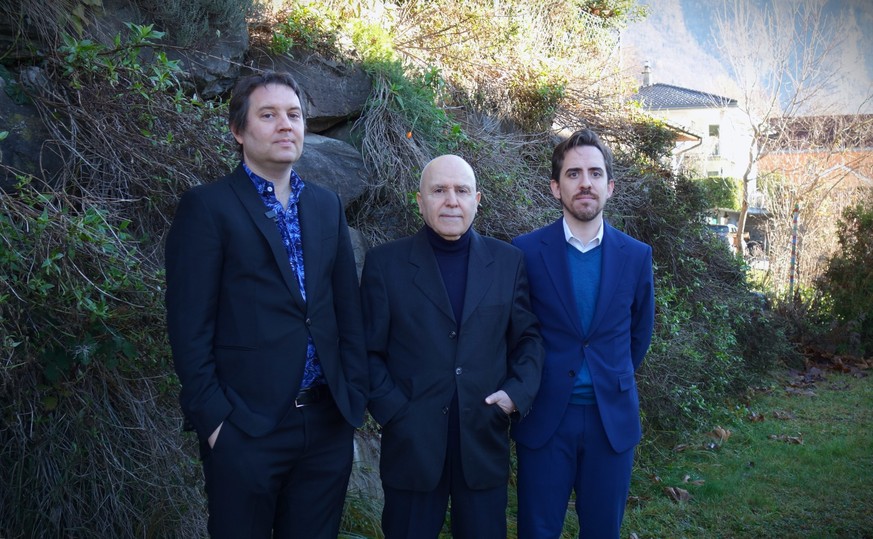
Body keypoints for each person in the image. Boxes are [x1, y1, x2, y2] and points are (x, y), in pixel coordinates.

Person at [164, 71, 367, 538]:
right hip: (245, 428)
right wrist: (216, 422)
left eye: (294, 115)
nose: (285, 125)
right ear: (239, 130)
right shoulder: (207, 208)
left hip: (326, 424)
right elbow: (188, 327)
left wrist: (352, 397)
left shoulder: (326, 206)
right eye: (269, 115)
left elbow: (346, 311)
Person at [361, 154, 544, 538]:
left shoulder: (508, 262)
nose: (451, 201)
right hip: (411, 445)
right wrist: (395, 411)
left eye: (461, 191)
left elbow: (528, 340)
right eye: (439, 190)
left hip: (483, 437)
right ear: (420, 200)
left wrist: (514, 395)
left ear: (476, 200)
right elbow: (367, 351)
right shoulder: (385, 264)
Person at [511, 129, 655, 538]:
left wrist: (610, 374)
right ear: (556, 187)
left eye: (595, 173)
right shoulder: (525, 251)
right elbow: (518, 331)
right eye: (573, 174)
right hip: (546, 418)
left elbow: (640, 331)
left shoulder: (636, 255)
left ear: (610, 186)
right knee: (537, 530)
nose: (585, 183)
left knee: (603, 530)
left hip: (612, 420)